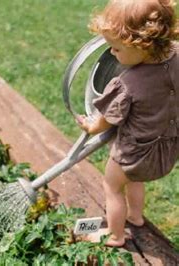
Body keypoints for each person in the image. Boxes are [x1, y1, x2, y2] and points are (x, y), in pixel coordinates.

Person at [77, 0, 179, 247]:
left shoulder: (127, 84)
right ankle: (134, 216)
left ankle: (115, 235)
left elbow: (107, 119)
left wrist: (92, 127)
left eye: (117, 49)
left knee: (112, 185)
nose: (112, 53)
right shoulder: (176, 53)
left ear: (142, 44)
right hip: (166, 148)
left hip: (134, 154)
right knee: (134, 179)